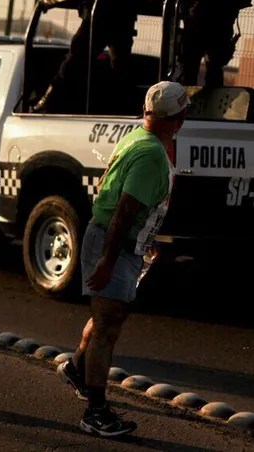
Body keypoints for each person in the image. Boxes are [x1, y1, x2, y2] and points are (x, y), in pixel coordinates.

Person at [57, 81, 188, 437]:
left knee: (108, 316)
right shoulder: (151, 155)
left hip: (120, 240)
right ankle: (95, 412)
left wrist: (146, 238)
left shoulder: (138, 138)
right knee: (107, 326)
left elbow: (119, 195)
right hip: (113, 241)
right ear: (178, 119)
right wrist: (108, 260)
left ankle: (77, 368)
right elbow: (125, 210)